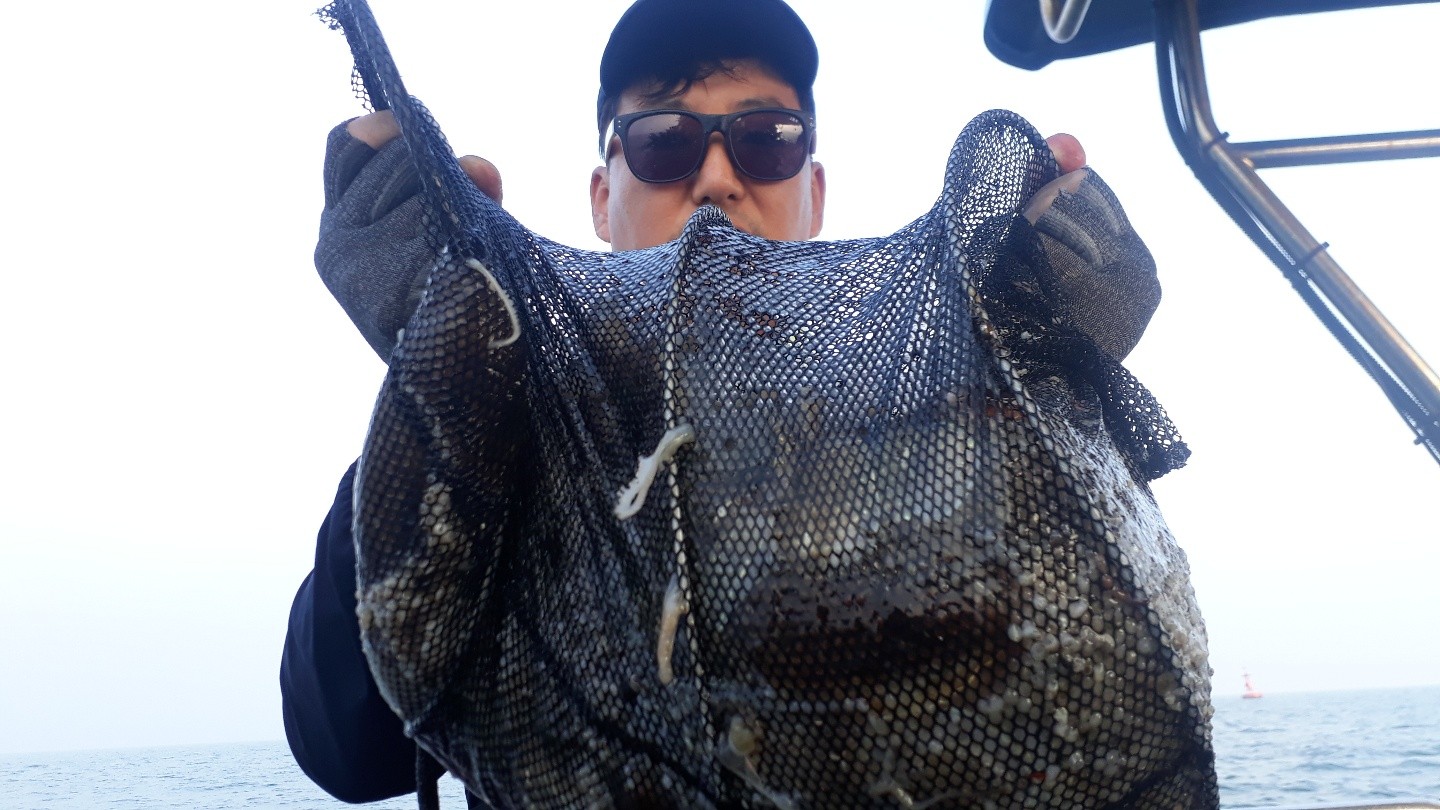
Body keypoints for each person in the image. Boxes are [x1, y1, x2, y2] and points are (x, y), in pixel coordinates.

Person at [281, 0, 1157, 803]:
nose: (716, 179)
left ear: (813, 193)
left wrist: (1037, 368)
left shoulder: (927, 427)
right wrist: (447, 389)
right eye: (664, 140)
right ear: (603, 197)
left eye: (767, 139)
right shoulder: (509, 421)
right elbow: (348, 744)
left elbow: (1057, 691)